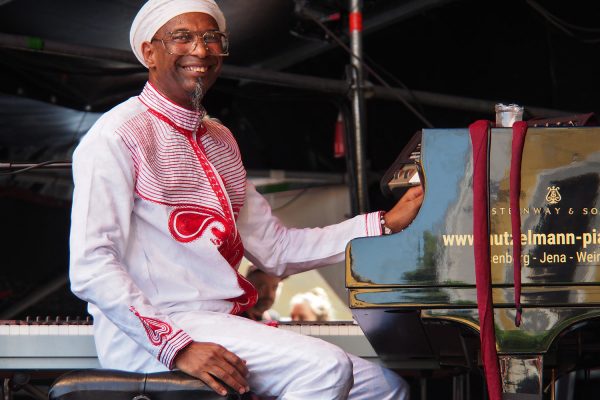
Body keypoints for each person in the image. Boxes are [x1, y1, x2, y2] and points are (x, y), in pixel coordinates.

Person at [68, 0, 424, 398]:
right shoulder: (115, 135)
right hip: (154, 333)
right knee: (325, 369)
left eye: (211, 38)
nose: (200, 51)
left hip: (219, 323)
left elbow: (277, 250)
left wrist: (386, 223)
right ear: (150, 53)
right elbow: (91, 265)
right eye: (182, 37)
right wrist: (177, 346)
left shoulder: (219, 140)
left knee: (385, 388)